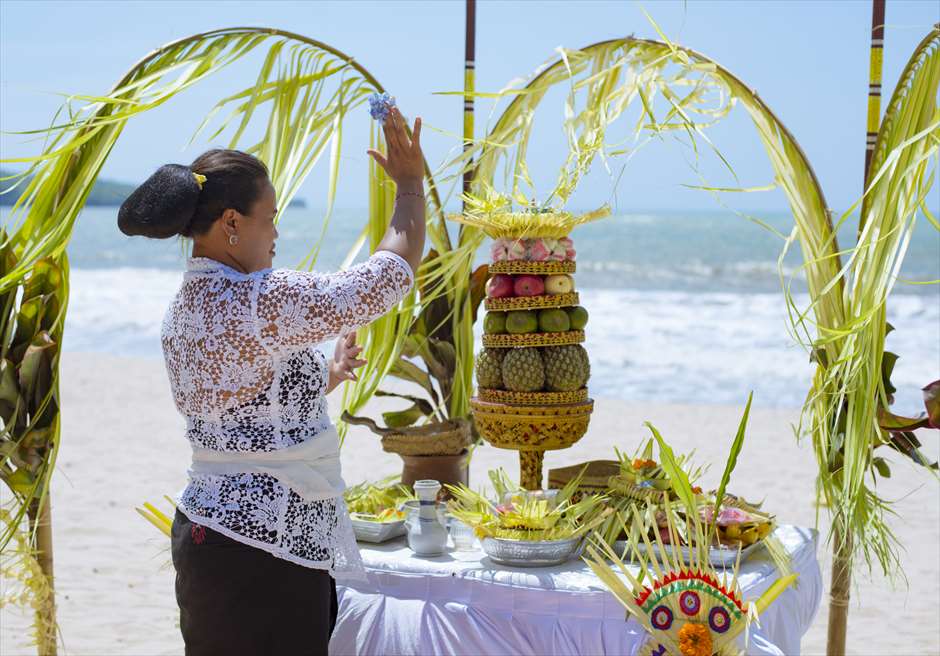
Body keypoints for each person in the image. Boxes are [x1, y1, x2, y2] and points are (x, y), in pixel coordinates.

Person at [117, 106, 425, 655]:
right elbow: (387, 276)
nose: (277, 232)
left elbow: (235, 406)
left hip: (204, 534)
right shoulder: (263, 299)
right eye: (270, 217)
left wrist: (321, 377)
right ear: (232, 223)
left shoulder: (182, 308)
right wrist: (408, 187)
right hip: (265, 551)